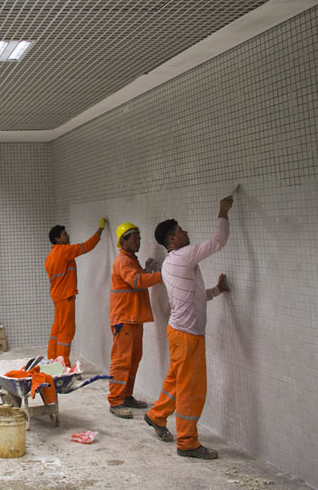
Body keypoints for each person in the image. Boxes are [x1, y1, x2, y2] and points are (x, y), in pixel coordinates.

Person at [143, 196, 233, 460]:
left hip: (179, 333)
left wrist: (217, 290)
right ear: (172, 239)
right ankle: (187, 441)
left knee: (176, 380)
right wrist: (223, 211)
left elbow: (192, 296)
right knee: (191, 389)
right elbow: (219, 240)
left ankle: (157, 416)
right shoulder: (183, 257)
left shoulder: (174, 263)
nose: (186, 233)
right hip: (187, 336)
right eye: (181, 231)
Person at [108, 222, 163, 419]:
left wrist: (147, 271)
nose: (139, 241)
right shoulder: (123, 261)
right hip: (124, 318)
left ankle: (126, 395)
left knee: (133, 359)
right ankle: (115, 401)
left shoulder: (131, 259)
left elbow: (138, 279)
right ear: (124, 241)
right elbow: (137, 282)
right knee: (122, 361)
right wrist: (161, 275)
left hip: (133, 317)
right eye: (135, 238)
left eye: (139, 237)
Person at [44, 218, 106, 363]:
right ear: (57, 239)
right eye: (64, 234)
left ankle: (52, 360)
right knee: (66, 331)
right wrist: (100, 230)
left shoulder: (50, 256)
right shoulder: (65, 251)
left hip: (57, 296)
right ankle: (62, 364)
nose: (68, 236)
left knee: (57, 330)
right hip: (66, 297)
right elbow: (87, 246)